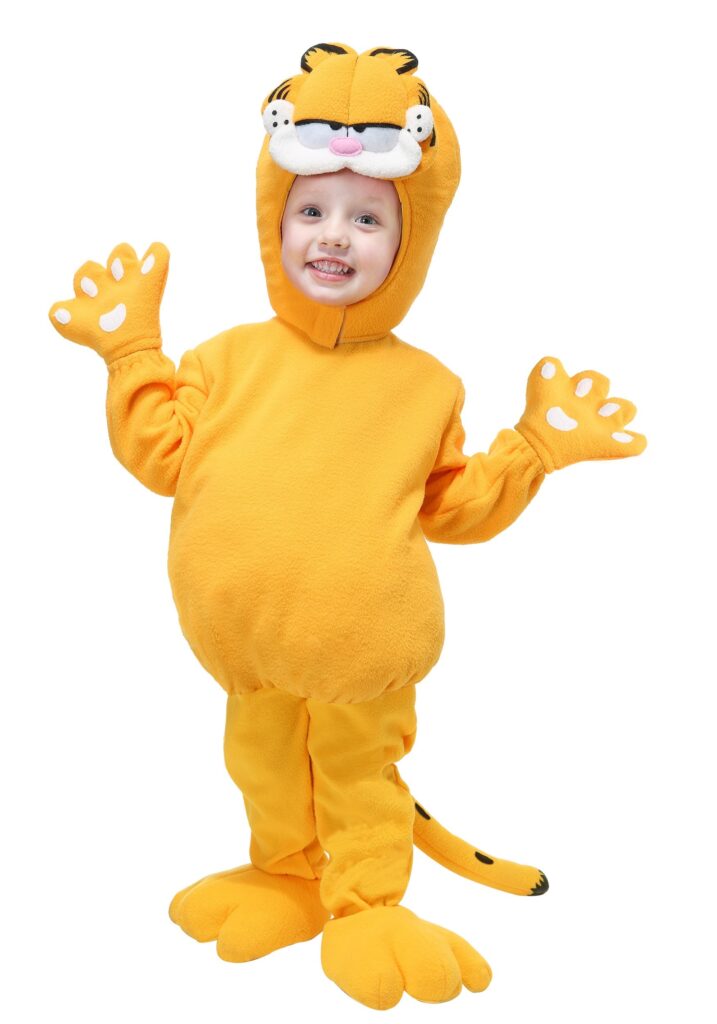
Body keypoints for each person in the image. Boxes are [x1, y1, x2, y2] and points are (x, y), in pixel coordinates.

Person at [48, 43, 645, 1010]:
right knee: (261, 765)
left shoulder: (425, 387)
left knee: (358, 777)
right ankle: (285, 871)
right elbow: (160, 456)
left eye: (368, 218)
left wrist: (532, 448)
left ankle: (368, 904)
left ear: (410, 241)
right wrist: (132, 352)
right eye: (311, 210)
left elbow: (452, 507)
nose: (334, 236)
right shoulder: (223, 360)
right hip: (245, 653)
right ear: (272, 218)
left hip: (363, 653)